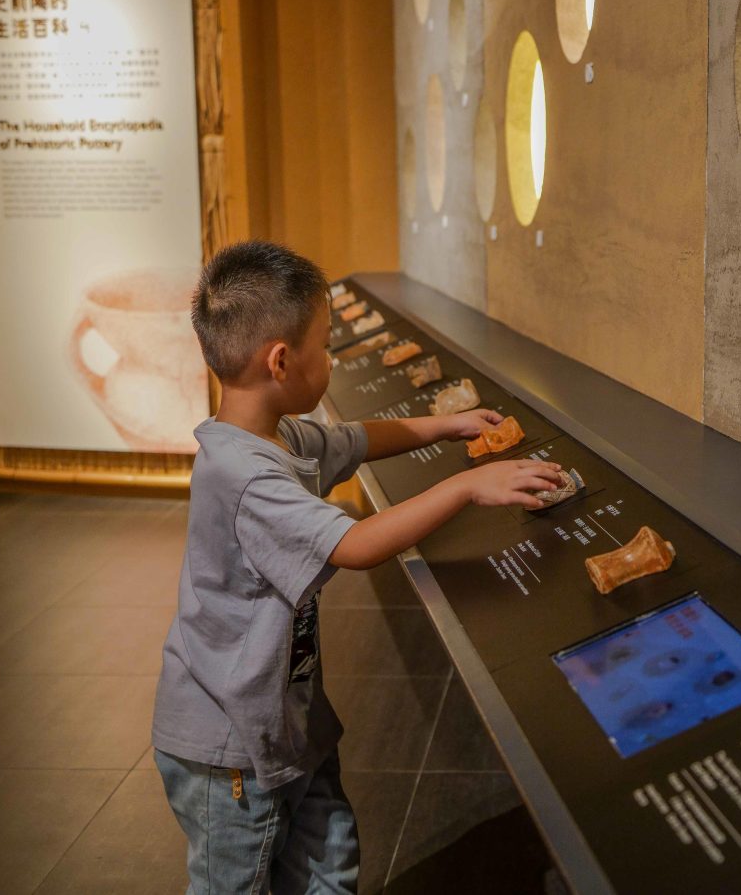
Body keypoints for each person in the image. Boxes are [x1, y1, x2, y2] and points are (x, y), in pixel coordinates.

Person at [151, 240, 562, 894]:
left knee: (326, 858)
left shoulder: (273, 435)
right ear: (281, 360)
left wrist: (446, 426)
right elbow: (357, 544)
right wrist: (466, 487)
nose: (334, 356)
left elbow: (358, 440)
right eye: (326, 341)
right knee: (241, 877)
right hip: (229, 746)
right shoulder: (245, 474)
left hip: (287, 721)